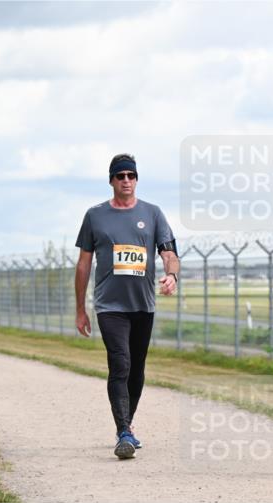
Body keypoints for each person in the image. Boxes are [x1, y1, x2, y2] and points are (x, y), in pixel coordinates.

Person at [74, 153, 179, 460]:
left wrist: (171, 275)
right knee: (120, 363)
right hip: (109, 305)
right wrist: (81, 308)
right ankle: (123, 432)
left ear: (136, 180)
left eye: (131, 176)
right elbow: (83, 265)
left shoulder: (153, 213)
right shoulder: (95, 216)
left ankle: (127, 425)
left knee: (136, 369)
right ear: (111, 180)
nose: (126, 181)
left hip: (143, 304)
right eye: (120, 176)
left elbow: (169, 252)